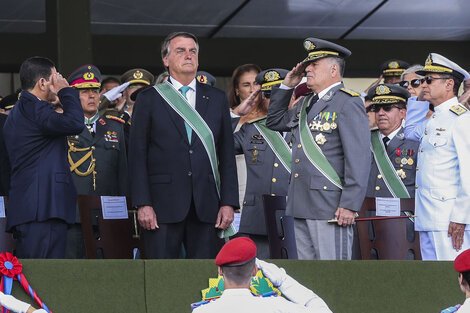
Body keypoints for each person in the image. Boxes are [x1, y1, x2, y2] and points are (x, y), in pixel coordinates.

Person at [129, 32, 238, 259]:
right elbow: (137, 155)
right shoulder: (149, 98)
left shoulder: (216, 98)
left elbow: (227, 155)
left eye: (193, 51)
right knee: (162, 277)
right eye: (180, 51)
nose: (188, 55)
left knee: (206, 278)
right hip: (161, 205)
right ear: (166, 60)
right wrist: (143, 203)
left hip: (207, 205)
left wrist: (228, 202)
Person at [266, 37, 370, 260]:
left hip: (330, 205)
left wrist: (350, 204)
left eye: (314, 64)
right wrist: (287, 87)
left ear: (334, 69)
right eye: (307, 64)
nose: (307, 69)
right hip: (300, 201)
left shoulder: (348, 102)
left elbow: (358, 159)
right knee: (310, 275)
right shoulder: (306, 102)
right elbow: (274, 122)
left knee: (333, 273)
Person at [3, 56, 84, 258]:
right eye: (55, 78)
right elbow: (75, 123)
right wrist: (66, 91)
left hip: (35, 208)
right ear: (42, 82)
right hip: (42, 209)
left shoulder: (25, 109)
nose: (59, 81)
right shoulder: (35, 109)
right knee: (44, 279)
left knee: (43, 278)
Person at [405, 53, 470, 260]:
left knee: (453, 279)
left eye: (429, 80)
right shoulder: (435, 118)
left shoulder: (461, 119)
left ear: (449, 84)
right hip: (428, 216)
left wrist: (460, 218)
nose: (424, 84)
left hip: (449, 219)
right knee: (435, 280)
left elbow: (468, 174)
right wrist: (419, 99)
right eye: (423, 80)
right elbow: (410, 131)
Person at [65, 64, 128, 258]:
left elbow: (122, 174)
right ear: (74, 95)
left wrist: (124, 213)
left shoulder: (115, 126)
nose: (92, 96)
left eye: (95, 90)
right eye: (85, 91)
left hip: (107, 215)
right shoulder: (63, 127)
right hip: (73, 215)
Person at [233, 68, 290, 258]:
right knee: (258, 279)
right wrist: (236, 114)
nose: (273, 100)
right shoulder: (250, 129)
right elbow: (216, 144)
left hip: (293, 216)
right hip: (258, 217)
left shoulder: (304, 127)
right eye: (267, 95)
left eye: (279, 94)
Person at [193, 237, 332, 313]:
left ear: (220, 271)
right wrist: (283, 280)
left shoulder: (203, 311)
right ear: (255, 271)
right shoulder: (276, 306)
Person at [366, 84, 419, 198]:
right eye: (377, 108)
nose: (380, 113)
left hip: (401, 213)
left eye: (387, 108)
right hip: (367, 213)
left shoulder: (415, 143)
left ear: (402, 113)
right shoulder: (364, 140)